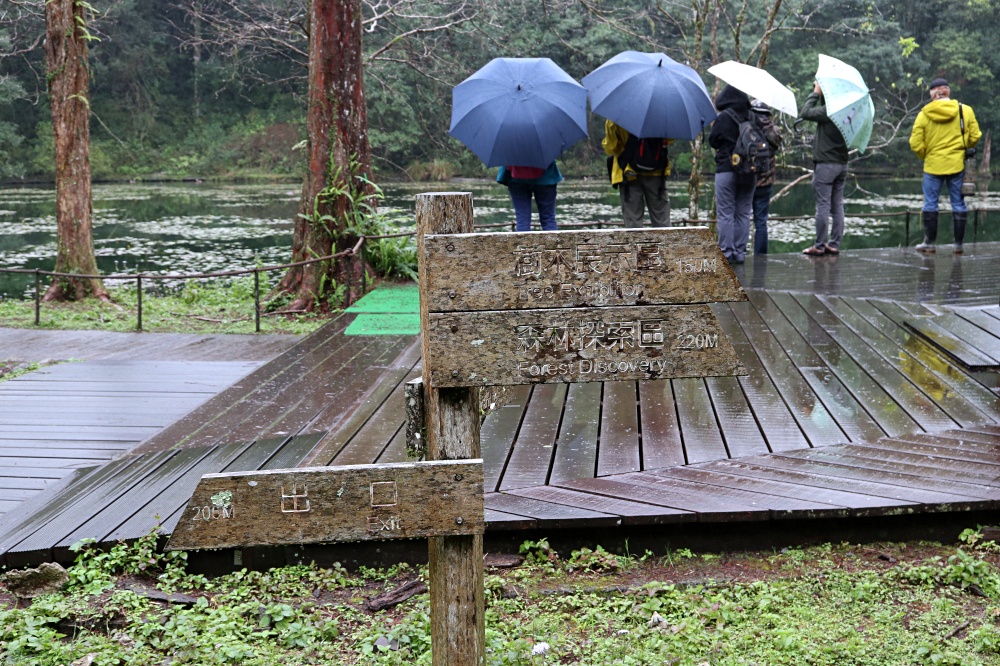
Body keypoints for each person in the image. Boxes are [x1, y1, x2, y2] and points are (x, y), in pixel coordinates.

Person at [909, 77, 981, 254]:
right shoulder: (965, 110)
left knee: (930, 204)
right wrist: (964, 148)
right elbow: (976, 136)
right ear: (948, 92)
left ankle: (930, 244)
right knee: (958, 203)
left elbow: (915, 143)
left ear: (933, 94)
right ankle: (958, 245)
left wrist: (926, 155)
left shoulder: (924, 114)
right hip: (957, 164)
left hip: (933, 166)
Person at [800, 81, 849, 256]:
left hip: (826, 164)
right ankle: (834, 244)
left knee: (822, 205)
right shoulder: (847, 112)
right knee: (837, 205)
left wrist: (816, 92)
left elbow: (805, 112)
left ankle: (819, 245)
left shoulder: (830, 110)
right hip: (842, 163)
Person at [709, 84, 755, 264]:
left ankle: (726, 253)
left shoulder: (723, 117)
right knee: (743, 213)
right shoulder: (752, 117)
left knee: (726, 214)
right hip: (750, 171)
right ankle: (740, 253)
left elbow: (713, 141)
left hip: (726, 170)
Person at [602, 120, 671, 227]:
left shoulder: (616, 116)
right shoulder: (661, 113)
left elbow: (610, 147)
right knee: (662, 222)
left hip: (628, 173)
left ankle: (636, 244)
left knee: (633, 224)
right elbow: (669, 139)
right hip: (657, 173)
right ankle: (666, 244)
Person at [750, 99, 783, 255]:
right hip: (766, 182)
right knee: (761, 222)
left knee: (741, 218)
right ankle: (760, 257)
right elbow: (778, 143)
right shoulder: (773, 131)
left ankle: (737, 254)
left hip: (747, 180)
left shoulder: (745, 127)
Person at [496, 162, 562, 231]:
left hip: (517, 179)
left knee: (522, 218)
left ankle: (523, 242)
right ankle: (553, 242)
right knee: (548, 219)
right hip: (546, 178)